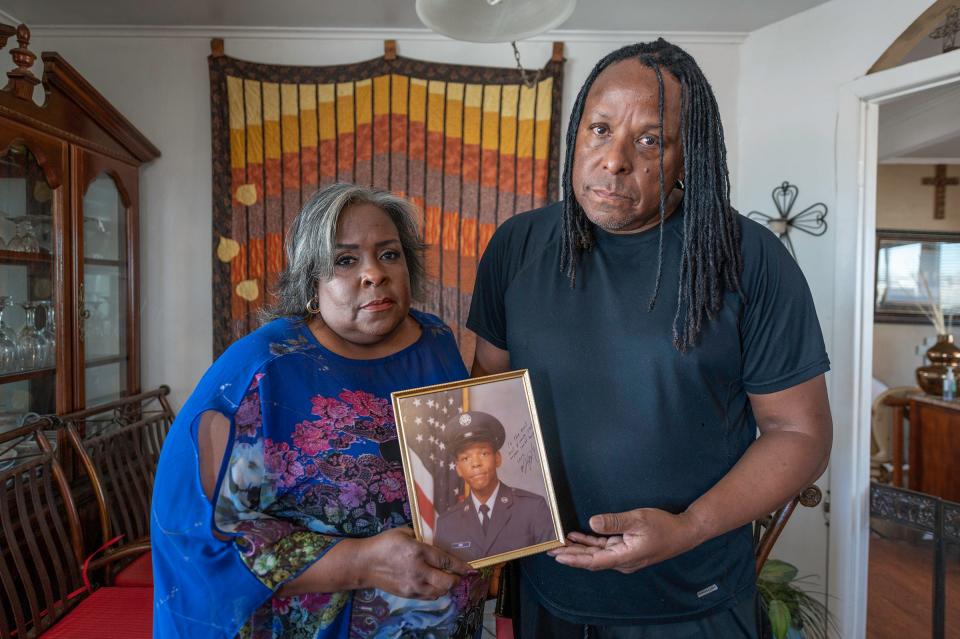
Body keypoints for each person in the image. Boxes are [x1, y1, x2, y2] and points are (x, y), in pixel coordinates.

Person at [468, 39, 833, 638]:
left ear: (689, 155)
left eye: (649, 140)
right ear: (576, 134)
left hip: (692, 602)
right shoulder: (518, 246)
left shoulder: (748, 259)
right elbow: (489, 394)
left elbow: (800, 434)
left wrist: (688, 526)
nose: (614, 160)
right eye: (599, 129)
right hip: (546, 591)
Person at [151, 183, 489, 639]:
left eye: (389, 254)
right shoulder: (261, 370)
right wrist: (359, 563)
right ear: (312, 280)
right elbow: (198, 531)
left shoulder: (435, 343)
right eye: (345, 260)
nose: (374, 273)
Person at [434, 410, 555, 562]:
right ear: (458, 469)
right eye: (465, 458)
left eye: (484, 453)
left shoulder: (533, 507)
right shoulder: (446, 523)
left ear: (497, 458)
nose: (476, 463)